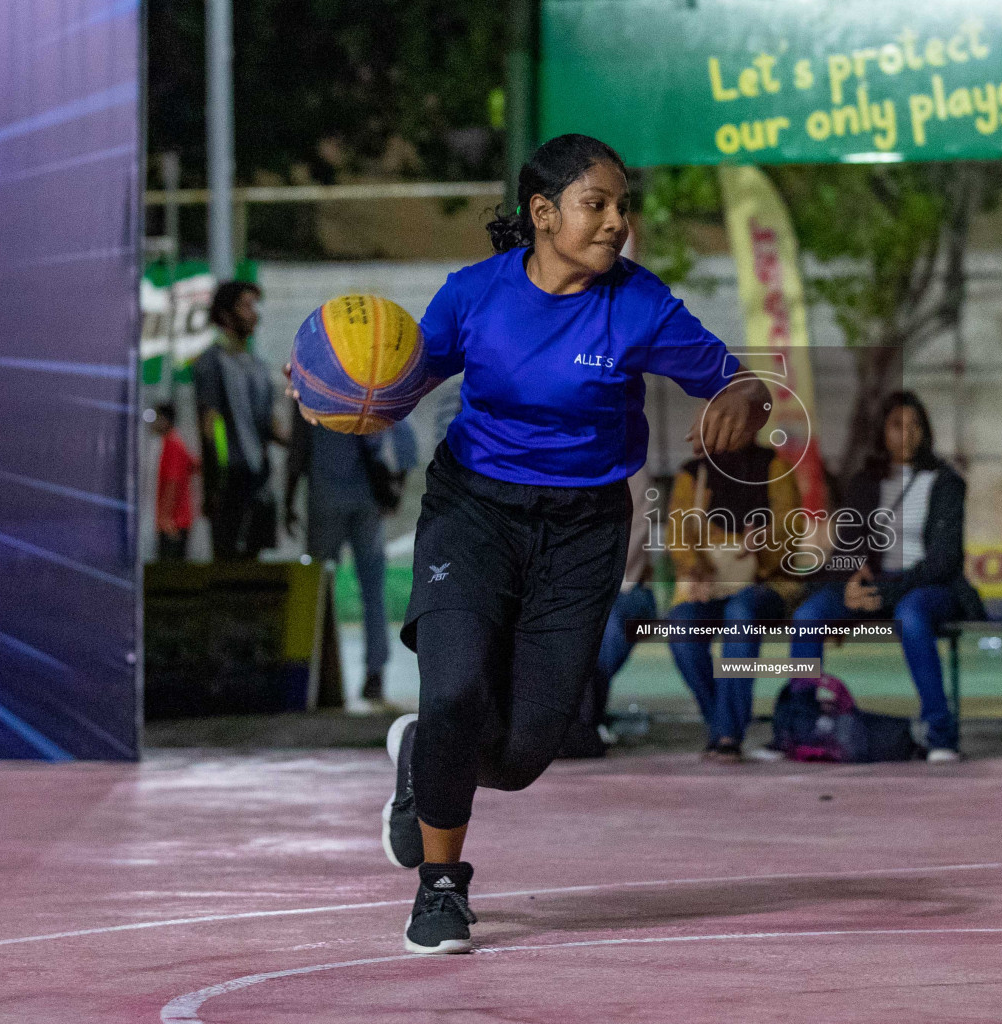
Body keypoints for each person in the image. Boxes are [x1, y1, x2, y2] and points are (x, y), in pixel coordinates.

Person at [286, 134, 769, 955]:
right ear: (544, 215)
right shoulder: (474, 295)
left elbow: (736, 376)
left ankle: (422, 760)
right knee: (453, 691)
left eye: (623, 206)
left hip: (582, 530)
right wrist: (329, 394)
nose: (617, 222)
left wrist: (747, 393)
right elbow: (392, 382)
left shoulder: (640, 305)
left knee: (520, 754)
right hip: (474, 512)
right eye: (597, 205)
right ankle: (440, 889)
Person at [789, 392, 984, 762]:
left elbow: (944, 559)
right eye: (897, 426)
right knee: (808, 616)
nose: (906, 435)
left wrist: (882, 589)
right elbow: (846, 547)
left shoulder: (945, 482)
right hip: (871, 588)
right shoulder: (865, 481)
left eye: (915, 426)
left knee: (911, 615)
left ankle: (940, 734)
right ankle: (801, 726)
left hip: (928, 588)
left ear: (926, 432)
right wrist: (848, 584)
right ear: (881, 432)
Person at [666, 444, 802, 761]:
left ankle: (727, 734)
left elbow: (789, 532)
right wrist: (694, 569)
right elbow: (678, 535)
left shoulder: (774, 468)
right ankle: (722, 724)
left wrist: (762, 544)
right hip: (711, 587)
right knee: (681, 623)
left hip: (767, 585)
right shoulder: (692, 474)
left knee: (740, 611)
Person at [286, 417, 417, 703]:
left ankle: (316, 673)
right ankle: (375, 674)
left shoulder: (311, 382)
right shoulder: (368, 379)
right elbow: (404, 432)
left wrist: (288, 498)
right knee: (373, 591)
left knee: (318, 591)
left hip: (325, 498)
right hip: (367, 498)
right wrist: (396, 490)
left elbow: (298, 448)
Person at [557, 467, 659, 759]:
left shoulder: (632, 471)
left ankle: (582, 723)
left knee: (608, 627)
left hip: (629, 589)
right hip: (575, 592)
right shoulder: (564, 469)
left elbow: (639, 527)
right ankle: (573, 724)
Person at [193, 281, 284, 560]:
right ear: (225, 314)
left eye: (254, 306)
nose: (254, 314)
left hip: (260, 477)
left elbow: (271, 425)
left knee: (254, 560)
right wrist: (214, 483)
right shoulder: (212, 362)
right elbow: (209, 425)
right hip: (230, 479)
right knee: (227, 562)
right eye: (246, 306)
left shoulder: (258, 365)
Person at [151, 404, 198, 561]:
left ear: (165, 420)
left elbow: (172, 482)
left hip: (174, 523)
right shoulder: (176, 443)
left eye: (156, 418)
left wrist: (165, 519)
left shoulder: (172, 444)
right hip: (178, 521)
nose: (153, 423)